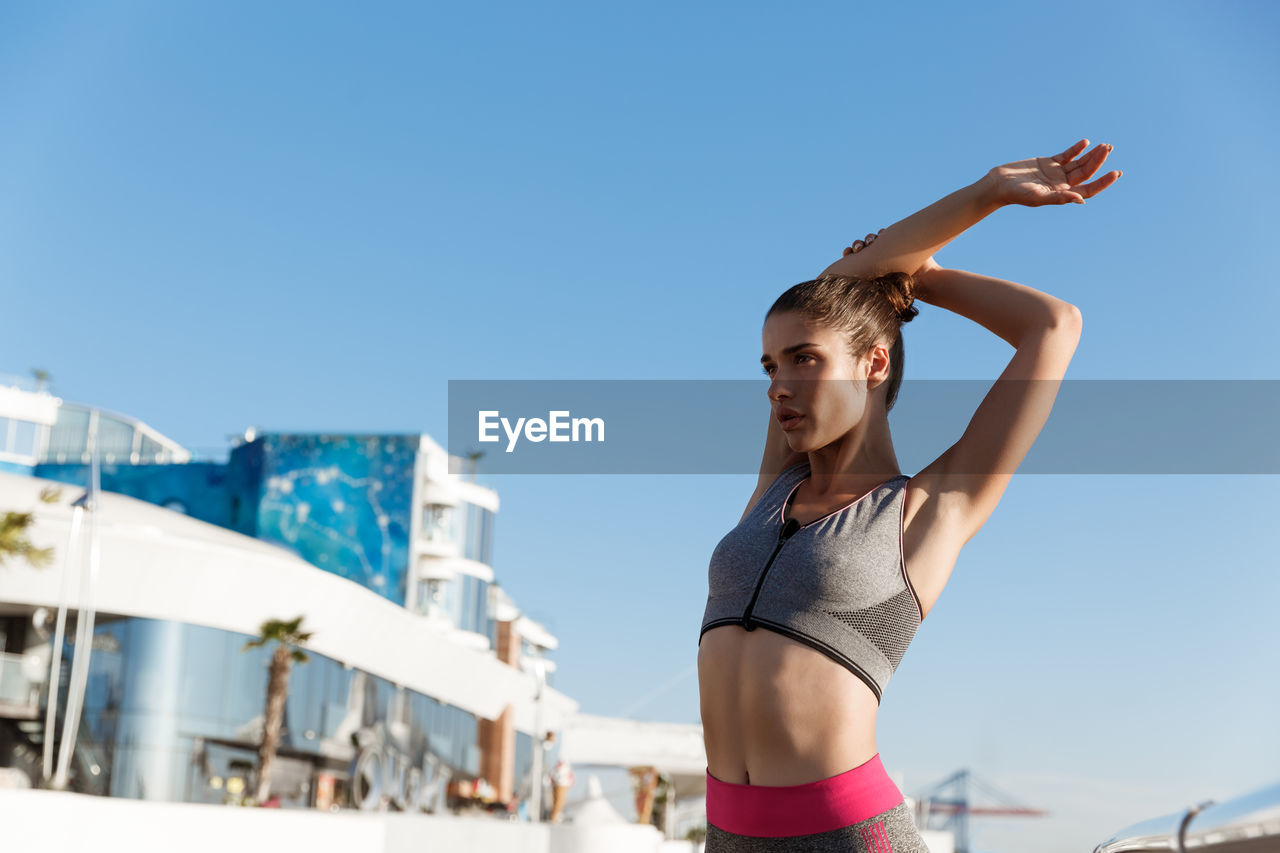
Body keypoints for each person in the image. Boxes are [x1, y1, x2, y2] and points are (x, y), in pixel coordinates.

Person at [696, 139, 1121, 851]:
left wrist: (933, 262)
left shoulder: (930, 508)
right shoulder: (779, 481)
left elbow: (1053, 327)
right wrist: (882, 271)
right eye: (771, 364)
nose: (779, 384)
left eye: (804, 360)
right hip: (727, 835)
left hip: (849, 837)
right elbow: (832, 286)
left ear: (874, 362)